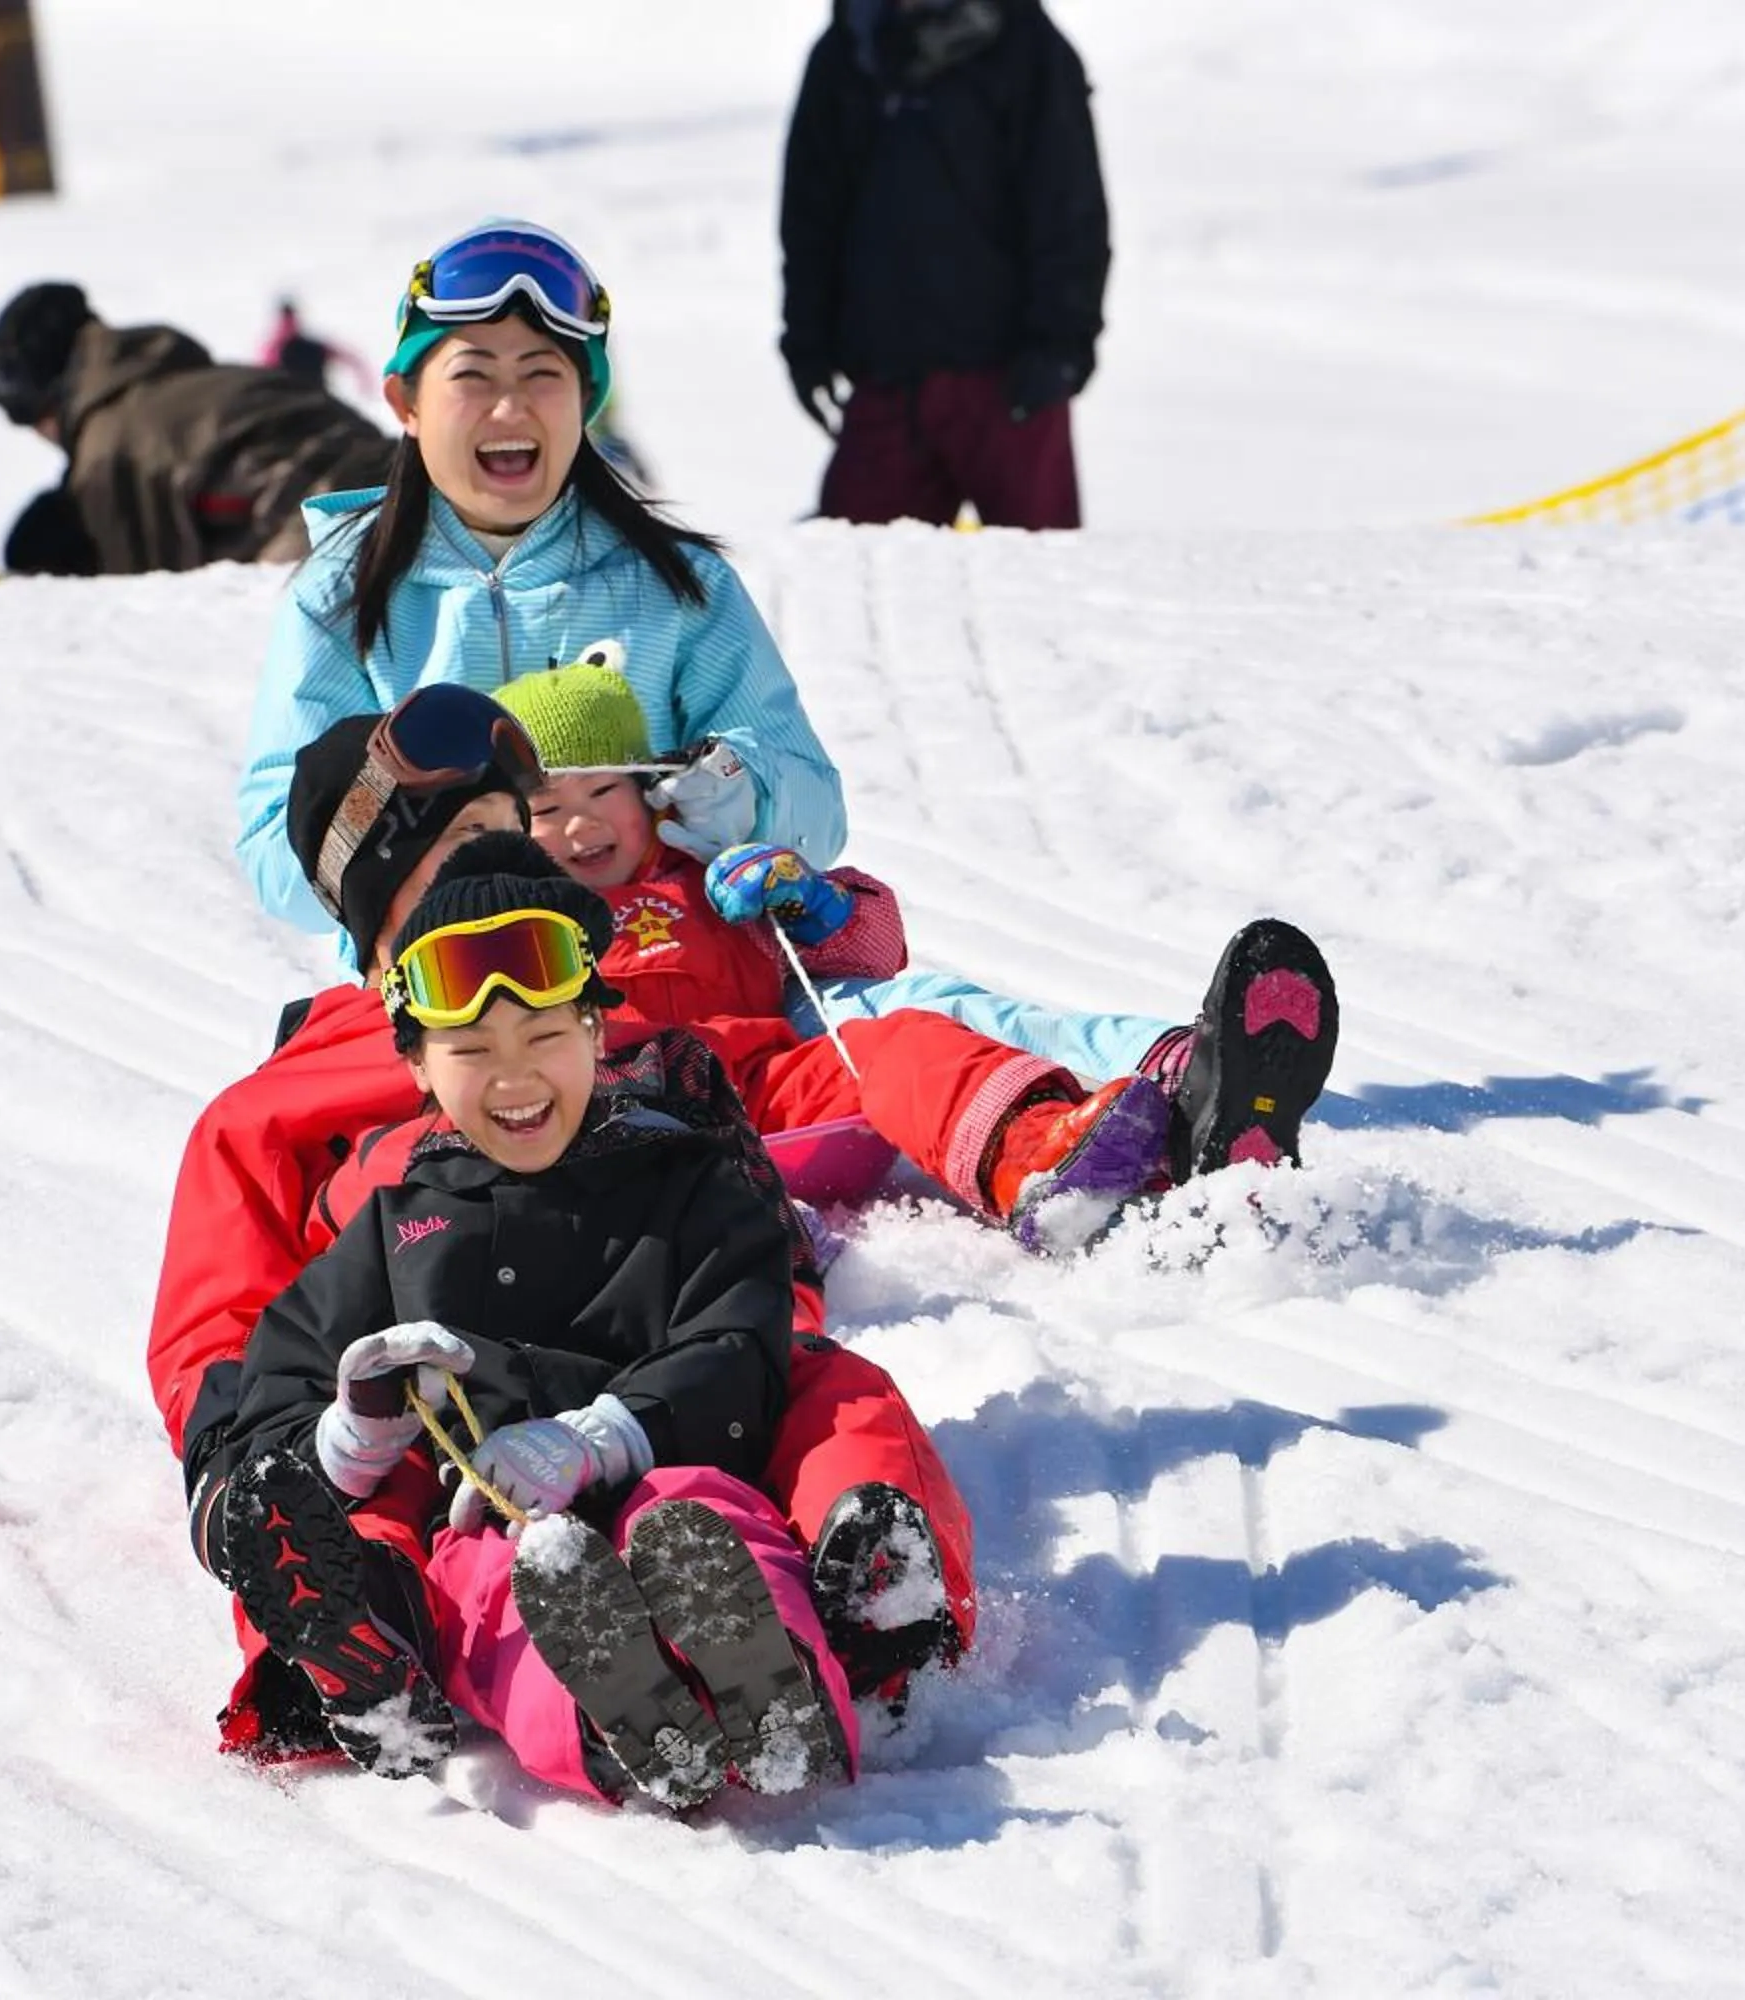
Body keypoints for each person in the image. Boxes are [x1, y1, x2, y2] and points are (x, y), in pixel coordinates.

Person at [150, 692, 980, 1764]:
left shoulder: (613, 1016)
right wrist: (271, 1463)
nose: (493, 864)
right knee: (348, 1519)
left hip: (675, 1368)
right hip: (444, 1410)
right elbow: (224, 1328)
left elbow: (796, 1100)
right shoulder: (276, 1103)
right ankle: (351, 1651)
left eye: (507, 829)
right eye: (455, 843)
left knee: (830, 1389)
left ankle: (873, 1593)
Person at [215, 834, 857, 1808]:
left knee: (698, 1517)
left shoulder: (689, 1185)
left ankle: (780, 1698)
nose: (514, 1078)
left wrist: (601, 1436)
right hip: (496, 1516)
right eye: (473, 1052)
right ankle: (614, 1729)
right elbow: (273, 1402)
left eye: (546, 1037)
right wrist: (350, 1438)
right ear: (420, 1070)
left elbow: (741, 1339)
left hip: (660, 1466)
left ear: (598, 1035)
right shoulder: (394, 1232)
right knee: (494, 1586)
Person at [235, 219, 846, 952]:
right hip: (438, 1010)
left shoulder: (674, 586)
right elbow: (278, 855)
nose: (509, 406)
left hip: (663, 980)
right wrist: (415, 825)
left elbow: (819, 808)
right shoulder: (345, 595)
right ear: (405, 403)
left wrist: (742, 792)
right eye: (473, 376)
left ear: (585, 401)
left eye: (542, 373)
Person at [493, 661, 1340, 1184]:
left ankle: (1132, 1113)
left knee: (920, 1025)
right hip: (638, 1109)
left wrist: (806, 899)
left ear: (648, 789)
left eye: (601, 792)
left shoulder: (708, 869)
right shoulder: (514, 916)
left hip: (779, 1073)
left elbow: (877, 952)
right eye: (546, 808)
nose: (578, 827)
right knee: (908, 1026)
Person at [780, 0, 1110, 531]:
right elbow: (811, 214)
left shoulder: (1026, 46)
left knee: (1042, 581)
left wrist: (1061, 345)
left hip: (1010, 385)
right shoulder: (846, 50)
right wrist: (807, 343)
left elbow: (1069, 210)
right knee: (851, 568)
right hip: (886, 382)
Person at [0, 281, 395, 575]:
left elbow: (149, 600)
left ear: (45, 400)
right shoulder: (197, 380)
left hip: (336, 533)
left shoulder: (110, 449)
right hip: (415, 480)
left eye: (23, 415)